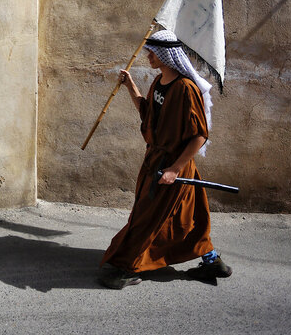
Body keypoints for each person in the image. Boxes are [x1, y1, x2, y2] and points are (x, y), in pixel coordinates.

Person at [98, 29, 232, 289]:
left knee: (146, 218)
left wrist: (174, 168)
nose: (149, 56)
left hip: (173, 167)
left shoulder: (185, 89)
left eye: (153, 52)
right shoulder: (159, 83)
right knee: (193, 216)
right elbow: (147, 113)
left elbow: (199, 136)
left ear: (166, 55)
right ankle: (212, 261)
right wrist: (130, 86)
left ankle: (122, 267)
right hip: (157, 162)